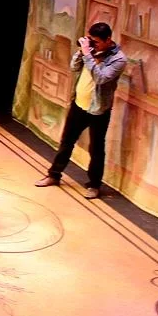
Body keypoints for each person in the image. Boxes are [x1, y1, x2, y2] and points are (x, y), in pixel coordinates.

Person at [34, 21, 126, 199]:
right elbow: (74, 67)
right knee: (66, 142)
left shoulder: (119, 59)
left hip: (98, 110)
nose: (93, 44)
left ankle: (94, 185)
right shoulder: (90, 52)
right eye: (91, 40)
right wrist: (81, 52)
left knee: (96, 148)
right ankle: (54, 175)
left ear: (108, 40)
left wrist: (88, 56)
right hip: (79, 105)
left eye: (96, 41)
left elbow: (101, 78)